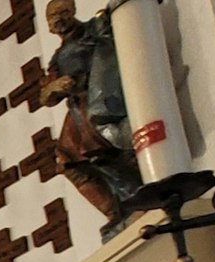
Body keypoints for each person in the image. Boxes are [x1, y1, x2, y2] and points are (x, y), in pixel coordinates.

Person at [41, 0, 141, 236]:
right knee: (68, 163)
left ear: (72, 11)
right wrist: (55, 86)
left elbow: (114, 42)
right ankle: (112, 211)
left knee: (99, 152)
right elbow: (45, 97)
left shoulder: (92, 30)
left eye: (62, 13)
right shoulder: (58, 58)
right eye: (53, 18)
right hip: (77, 108)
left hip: (98, 99)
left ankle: (134, 196)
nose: (58, 20)